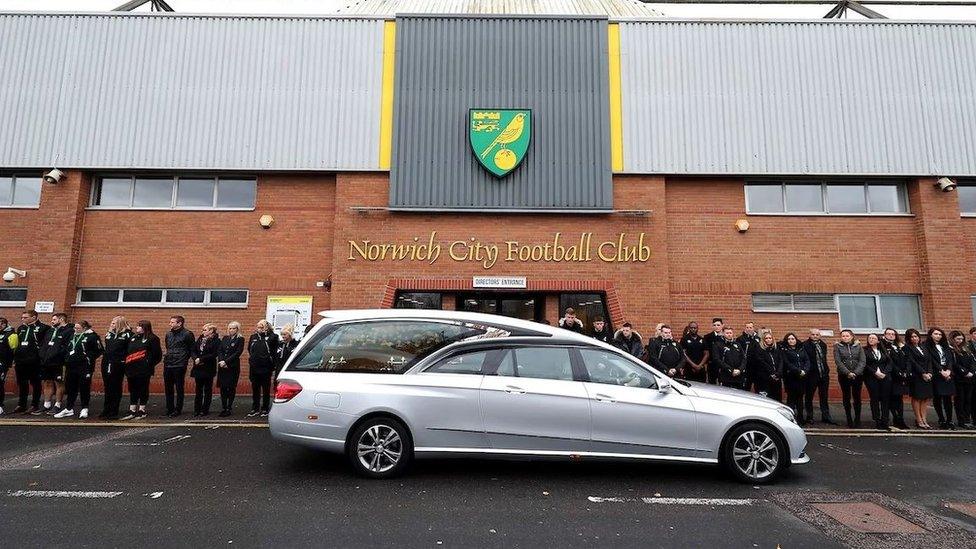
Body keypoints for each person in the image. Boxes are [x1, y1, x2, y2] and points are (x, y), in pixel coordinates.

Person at [56, 321, 103, 419]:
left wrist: (88, 357)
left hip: (85, 367)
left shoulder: (92, 336)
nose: (75, 330)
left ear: (84, 328)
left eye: (78, 328)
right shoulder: (72, 336)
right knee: (70, 387)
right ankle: (69, 408)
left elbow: (99, 350)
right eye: (75, 328)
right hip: (71, 366)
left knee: (84, 387)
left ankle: (84, 408)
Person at [123, 320, 162, 420]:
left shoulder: (152, 338)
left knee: (143, 389)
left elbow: (157, 355)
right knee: (133, 389)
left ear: (145, 327)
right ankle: (132, 409)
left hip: (144, 370)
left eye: (139, 326)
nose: (137, 328)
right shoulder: (134, 338)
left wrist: (148, 364)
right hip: (131, 368)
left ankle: (142, 409)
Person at [13, 310, 48, 414]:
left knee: (35, 383)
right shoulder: (21, 328)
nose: (23, 319)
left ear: (34, 317)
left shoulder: (43, 328)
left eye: (25, 317)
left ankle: (34, 405)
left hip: (34, 361)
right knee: (22, 383)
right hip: (20, 361)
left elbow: (44, 345)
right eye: (22, 317)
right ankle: (21, 404)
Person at [38, 313, 73, 416]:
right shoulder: (50, 330)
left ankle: (57, 405)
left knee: (59, 382)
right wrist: (42, 354)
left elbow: (67, 346)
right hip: (46, 361)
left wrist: (59, 355)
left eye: (54, 319)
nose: (52, 321)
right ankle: (47, 404)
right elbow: (44, 344)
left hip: (59, 361)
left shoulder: (69, 331)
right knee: (47, 382)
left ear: (61, 319)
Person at [99, 316, 133, 419]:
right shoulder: (109, 334)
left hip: (118, 363)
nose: (112, 324)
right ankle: (106, 409)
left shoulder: (127, 334)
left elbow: (129, 350)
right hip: (107, 362)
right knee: (107, 386)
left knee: (115, 387)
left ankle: (114, 411)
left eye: (114, 323)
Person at [163, 315, 195, 418]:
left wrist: (184, 359)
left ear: (179, 323)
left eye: (172, 322)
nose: (170, 324)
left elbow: (191, 349)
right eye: (170, 322)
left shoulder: (187, 334)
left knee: (179, 387)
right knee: (168, 388)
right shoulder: (168, 334)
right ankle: (169, 408)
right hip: (168, 363)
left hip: (180, 364)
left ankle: (178, 409)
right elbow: (168, 347)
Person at [803, 329, 836, 425]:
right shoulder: (805, 345)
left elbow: (823, 359)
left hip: (823, 374)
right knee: (809, 396)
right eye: (813, 334)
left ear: (819, 335)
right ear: (810, 335)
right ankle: (810, 416)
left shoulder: (823, 344)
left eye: (817, 334)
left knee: (824, 396)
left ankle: (826, 416)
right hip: (811, 375)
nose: (815, 336)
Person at [247, 320, 279, 417]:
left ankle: (265, 408)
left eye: (261, 327)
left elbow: (274, 351)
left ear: (266, 327)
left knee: (265, 389)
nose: (259, 329)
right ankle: (255, 408)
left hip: (266, 367)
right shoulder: (253, 337)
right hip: (254, 367)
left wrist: (270, 362)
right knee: (255, 388)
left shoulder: (273, 337)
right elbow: (249, 349)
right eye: (258, 327)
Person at [925, 327, 955, 429]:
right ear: (931, 335)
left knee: (948, 398)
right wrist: (941, 371)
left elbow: (950, 359)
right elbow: (931, 360)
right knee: (938, 398)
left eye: (940, 334)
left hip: (947, 373)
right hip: (937, 374)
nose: (938, 336)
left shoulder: (945, 346)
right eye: (936, 334)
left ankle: (949, 420)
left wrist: (949, 371)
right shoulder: (927, 346)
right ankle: (941, 419)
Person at [834, 329, 866, 428]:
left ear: (852, 336)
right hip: (844, 376)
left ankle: (857, 419)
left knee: (857, 397)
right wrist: (848, 372)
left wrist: (855, 372)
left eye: (847, 336)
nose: (845, 337)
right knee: (846, 397)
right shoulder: (837, 347)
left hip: (858, 375)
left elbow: (862, 361)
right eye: (843, 336)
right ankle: (849, 419)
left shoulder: (858, 347)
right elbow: (838, 361)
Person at [904, 328, 933, 429]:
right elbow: (912, 362)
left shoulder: (923, 347)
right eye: (912, 337)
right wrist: (923, 373)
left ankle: (924, 418)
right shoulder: (907, 348)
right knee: (917, 397)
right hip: (917, 376)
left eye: (916, 336)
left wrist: (929, 372)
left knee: (925, 398)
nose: (914, 338)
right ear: (908, 338)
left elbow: (929, 360)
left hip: (927, 375)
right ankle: (919, 419)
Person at [863, 333, 892, 431]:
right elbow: (865, 364)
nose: (871, 339)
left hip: (884, 377)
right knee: (874, 398)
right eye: (869, 338)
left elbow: (889, 362)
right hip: (871, 377)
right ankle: (877, 420)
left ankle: (885, 420)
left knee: (885, 399)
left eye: (873, 338)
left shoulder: (883, 350)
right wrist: (875, 372)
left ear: (878, 341)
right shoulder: (864, 350)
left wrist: (884, 373)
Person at [882, 328, 910, 429]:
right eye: (888, 334)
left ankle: (901, 419)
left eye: (893, 334)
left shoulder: (900, 346)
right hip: (892, 375)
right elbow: (890, 361)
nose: (891, 336)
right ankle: (895, 418)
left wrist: (905, 372)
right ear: (884, 335)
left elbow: (907, 359)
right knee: (891, 399)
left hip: (902, 376)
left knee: (899, 399)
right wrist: (898, 372)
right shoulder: (883, 345)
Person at [191, 323, 220, 417]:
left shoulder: (216, 341)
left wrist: (202, 359)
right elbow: (193, 350)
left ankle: (205, 409)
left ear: (211, 331)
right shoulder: (200, 339)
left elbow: (214, 354)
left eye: (205, 330)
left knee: (207, 390)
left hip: (208, 368)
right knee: (198, 389)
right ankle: (197, 409)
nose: (203, 331)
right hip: (198, 367)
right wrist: (195, 358)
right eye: (203, 330)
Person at [217, 321, 245, 417]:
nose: (231, 330)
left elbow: (237, 353)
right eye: (230, 328)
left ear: (237, 329)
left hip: (232, 366)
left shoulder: (240, 339)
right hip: (222, 366)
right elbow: (220, 350)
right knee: (223, 388)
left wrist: (226, 362)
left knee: (231, 387)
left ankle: (229, 407)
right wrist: (221, 361)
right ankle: (224, 407)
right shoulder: (225, 338)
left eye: (234, 328)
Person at [780, 333, 810, 423]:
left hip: (802, 377)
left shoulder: (801, 348)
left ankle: (800, 418)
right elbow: (787, 363)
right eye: (789, 339)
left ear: (796, 340)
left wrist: (805, 370)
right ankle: (790, 419)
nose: (791, 340)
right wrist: (798, 371)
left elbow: (807, 360)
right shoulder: (784, 350)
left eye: (792, 339)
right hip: (791, 377)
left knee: (800, 399)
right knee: (791, 399)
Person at [948, 330, 974, 429]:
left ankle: (967, 419)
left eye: (962, 339)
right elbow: (955, 364)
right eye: (958, 339)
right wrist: (965, 372)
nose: (960, 340)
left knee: (968, 400)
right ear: (953, 339)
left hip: (969, 379)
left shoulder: (966, 349)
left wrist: (971, 371)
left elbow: (972, 362)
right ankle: (961, 420)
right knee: (960, 400)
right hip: (959, 379)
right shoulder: (952, 350)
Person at [748, 329, 782, 402]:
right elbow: (762, 363)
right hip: (764, 379)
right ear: (763, 340)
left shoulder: (776, 349)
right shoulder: (759, 350)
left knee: (777, 399)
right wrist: (772, 373)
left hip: (776, 379)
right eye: (766, 338)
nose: (768, 340)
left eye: (770, 338)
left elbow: (780, 361)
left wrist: (778, 373)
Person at [0, 318, 19, 416]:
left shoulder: (12, 335)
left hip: (2, 363)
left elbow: (14, 350)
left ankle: (0, 406)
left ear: (3, 324)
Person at [737, 322, 761, 392]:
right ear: (745, 328)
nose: (749, 329)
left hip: (756, 368)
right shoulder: (740, 339)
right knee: (746, 387)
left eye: (750, 327)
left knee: (758, 387)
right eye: (747, 327)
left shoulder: (758, 339)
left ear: (753, 328)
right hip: (746, 367)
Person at [702, 318, 725, 384]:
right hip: (712, 364)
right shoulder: (707, 337)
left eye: (718, 325)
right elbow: (706, 352)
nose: (716, 327)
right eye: (714, 325)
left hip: (724, 365)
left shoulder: (725, 337)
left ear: (722, 325)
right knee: (712, 384)